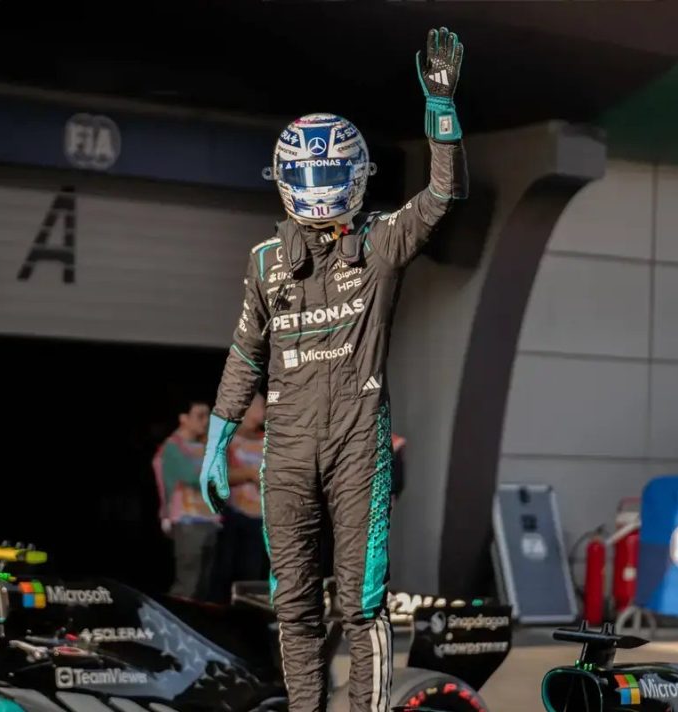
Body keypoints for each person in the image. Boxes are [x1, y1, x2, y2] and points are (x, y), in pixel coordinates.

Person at [198, 27, 467, 712]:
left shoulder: (380, 243)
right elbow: (245, 353)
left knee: (360, 602)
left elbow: (442, 196)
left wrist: (441, 112)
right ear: (285, 179)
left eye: (329, 176)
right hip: (286, 449)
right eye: (307, 178)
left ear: (356, 174)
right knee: (292, 605)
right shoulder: (266, 261)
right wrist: (218, 439)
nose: (319, 191)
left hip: (357, 444)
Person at [153, 398, 219, 599]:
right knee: (188, 584)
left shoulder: (201, 445)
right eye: (200, 416)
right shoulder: (173, 447)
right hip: (187, 521)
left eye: (208, 416)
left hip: (208, 520)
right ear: (183, 418)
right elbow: (195, 478)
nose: (205, 421)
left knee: (204, 586)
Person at [210, 393, 269, 602]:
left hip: (261, 518)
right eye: (259, 406)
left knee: (251, 574)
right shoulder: (228, 439)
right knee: (225, 572)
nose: (264, 410)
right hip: (233, 515)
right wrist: (248, 474)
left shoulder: (269, 440)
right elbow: (217, 476)